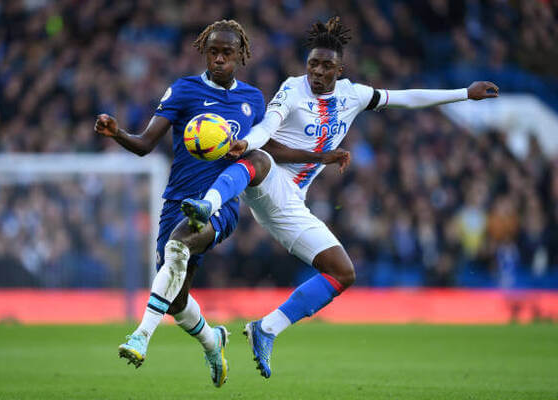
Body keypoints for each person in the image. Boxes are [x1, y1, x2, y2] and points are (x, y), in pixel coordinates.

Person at [180, 16, 499, 379]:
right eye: (312, 63)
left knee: (343, 272)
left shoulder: (354, 95)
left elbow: (406, 99)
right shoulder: (291, 89)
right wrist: (246, 141)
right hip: (265, 176)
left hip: (290, 202)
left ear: (339, 69)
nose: (317, 71)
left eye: (325, 66)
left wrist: (464, 93)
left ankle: (266, 328)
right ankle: (209, 203)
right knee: (258, 157)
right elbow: (267, 128)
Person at [93, 19, 348, 387]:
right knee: (177, 300)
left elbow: (266, 147)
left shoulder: (252, 99)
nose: (219, 59)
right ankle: (214, 342)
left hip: (221, 205)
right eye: (213, 52)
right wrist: (117, 132)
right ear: (204, 52)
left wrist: (317, 155)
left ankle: (140, 336)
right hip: (177, 201)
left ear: (240, 56)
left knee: (180, 244)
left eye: (226, 53)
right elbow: (146, 144)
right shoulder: (183, 91)